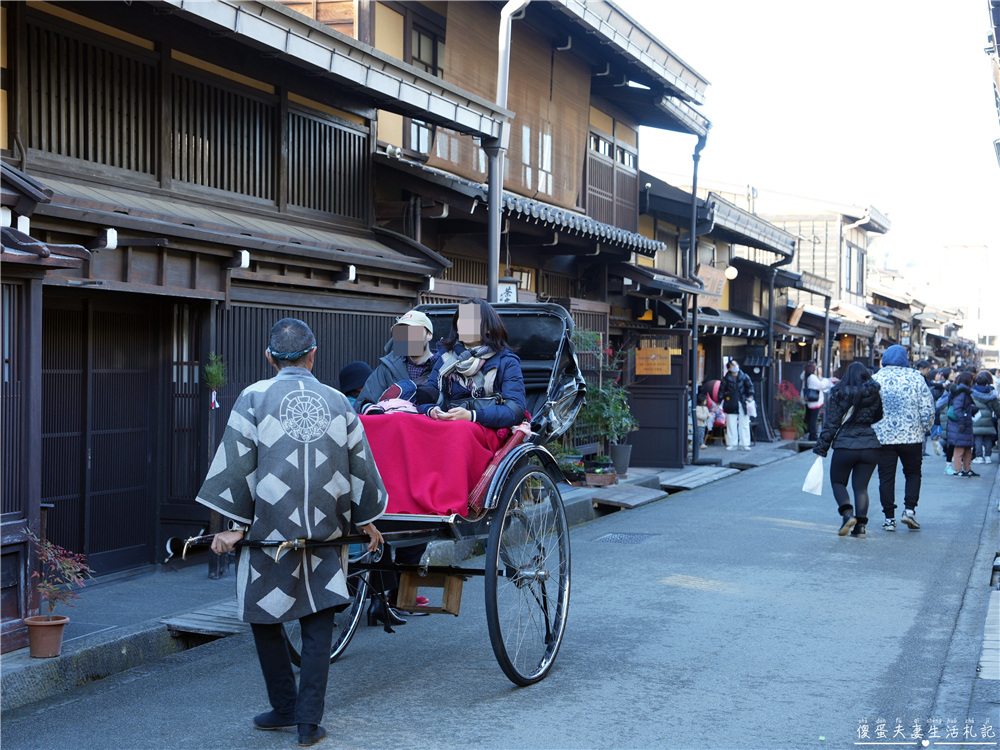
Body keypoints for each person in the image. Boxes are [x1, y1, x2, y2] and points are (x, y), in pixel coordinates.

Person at [197, 318, 388, 748]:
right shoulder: (340, 401)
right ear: (313, 354)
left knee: (264, 615)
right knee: (318, 620)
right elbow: (360, 465)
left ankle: (286, 706)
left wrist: (233, 528)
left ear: (269, 357)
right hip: (327, 527)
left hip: (269, 530)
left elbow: (237, 466)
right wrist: (366, 519)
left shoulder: (254, 398)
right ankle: (304, 722)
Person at [419, 298, 526, 429]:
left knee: (460, 430)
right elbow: (426, 397)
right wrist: (431, 410)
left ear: (488, 327)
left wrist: (472, 416)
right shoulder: (445, 360)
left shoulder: (507, 361)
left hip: (485, 427)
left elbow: (515, 410)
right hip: (446, 424)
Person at [812, 362, 883, 538]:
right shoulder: (874, 393)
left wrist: (822, 447)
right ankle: (860, 529)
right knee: (861, 488)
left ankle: (847, 514)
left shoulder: (839, 394)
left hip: (845, 445)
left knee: (838, 482)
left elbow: (832, 423)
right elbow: (879, 415)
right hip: (870, 445)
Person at [872, 345, 935, 531]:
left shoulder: (876, 378)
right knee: (913, 473)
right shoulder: (916, 377)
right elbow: (928, 407)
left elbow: (867, 407)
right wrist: (925, 428)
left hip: (883, 437)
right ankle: (909, 512)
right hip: (912, 436)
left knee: (886, 477)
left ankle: (889, 519)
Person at [355, 309, 440, 413]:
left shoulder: (445, 367)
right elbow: (361, 404)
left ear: (429, 335)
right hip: (394, 427)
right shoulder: (387, 368)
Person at [947, 371, 980, 477]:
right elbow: (958, 409)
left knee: (967, 448)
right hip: (960, 424)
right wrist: (962, 422)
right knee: (960, 448)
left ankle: (967, 468)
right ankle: (958, 469)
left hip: (963, 423)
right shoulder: (962, 392)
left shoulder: (962, 391)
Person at [719, 359, 754, 451]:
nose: (735, 367)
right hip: (731, 402)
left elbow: (750, 387)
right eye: (733, 365)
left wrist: (750, 396)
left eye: (736, 364)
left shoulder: (745, 376)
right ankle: (732, 444)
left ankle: (745, 444)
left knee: (745, 423)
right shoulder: (726, 379)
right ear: (729, 368)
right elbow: (721, 391)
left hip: (743, 401)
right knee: (731, 423)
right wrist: (719, 402)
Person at [971, 371, 1000, 464]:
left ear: (975, 383)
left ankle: (979, 456)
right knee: (988, 438)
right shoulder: (992, 394)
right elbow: (997, 408)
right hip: (988, 419)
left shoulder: (972, 394)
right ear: (987, 384)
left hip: (977, 419)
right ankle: (988, 456)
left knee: (978, 438)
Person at [803, 362, 836, 441]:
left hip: (810, 400)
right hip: (814, 401)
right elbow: (821, 385)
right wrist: (827, 380)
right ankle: (813, 436)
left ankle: (809, 434)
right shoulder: (812, 377)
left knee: (810, 418)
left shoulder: (806, 376)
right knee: (813, 419)